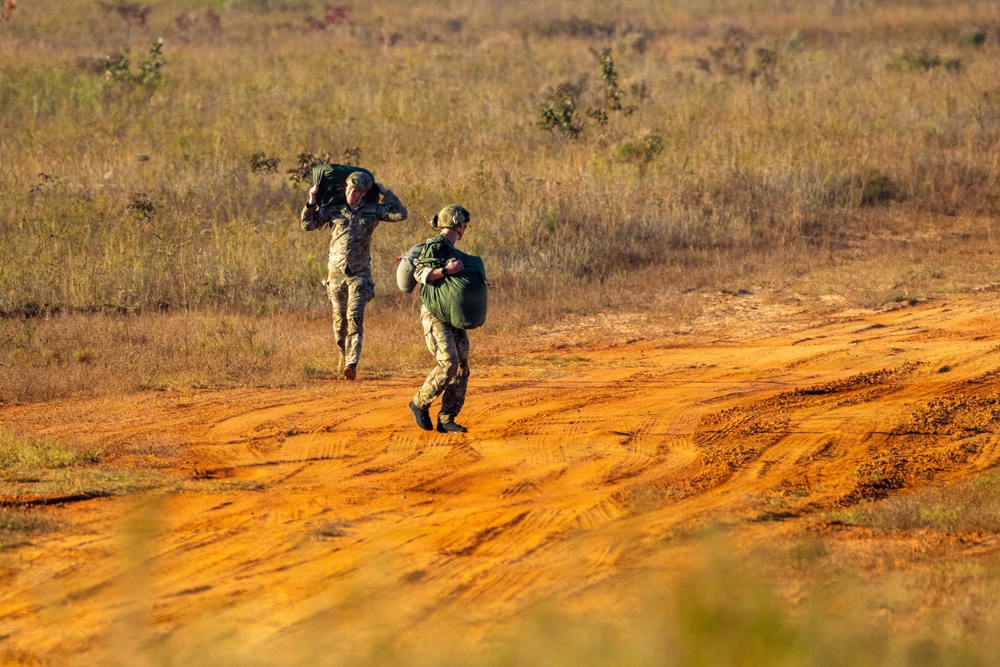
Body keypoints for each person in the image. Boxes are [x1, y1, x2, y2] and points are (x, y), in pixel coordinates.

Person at [301, 171, 408, 380]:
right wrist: (312, 200)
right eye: (350, 189)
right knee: (339, 320)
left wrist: (385, 192)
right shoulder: (334, 210)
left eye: (358, 191)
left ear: (364, 193)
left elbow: (400, 213)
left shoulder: (372, 210)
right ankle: (343, 355)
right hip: (336, 274)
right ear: (345, 189)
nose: (353, 194)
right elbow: (307, 225)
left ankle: (352, 363)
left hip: (359, 274)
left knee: (355, 317)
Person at [409, 205, 475, 433]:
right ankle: (419, 403)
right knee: (449, 362)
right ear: (458, 224)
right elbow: (420, 274)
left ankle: (447, 418)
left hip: (452, 314)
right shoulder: (436, 245)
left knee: (461, 367)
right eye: (464, 224)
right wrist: (446, 271)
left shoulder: (450, 248)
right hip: (435, 314)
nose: (464, 228)